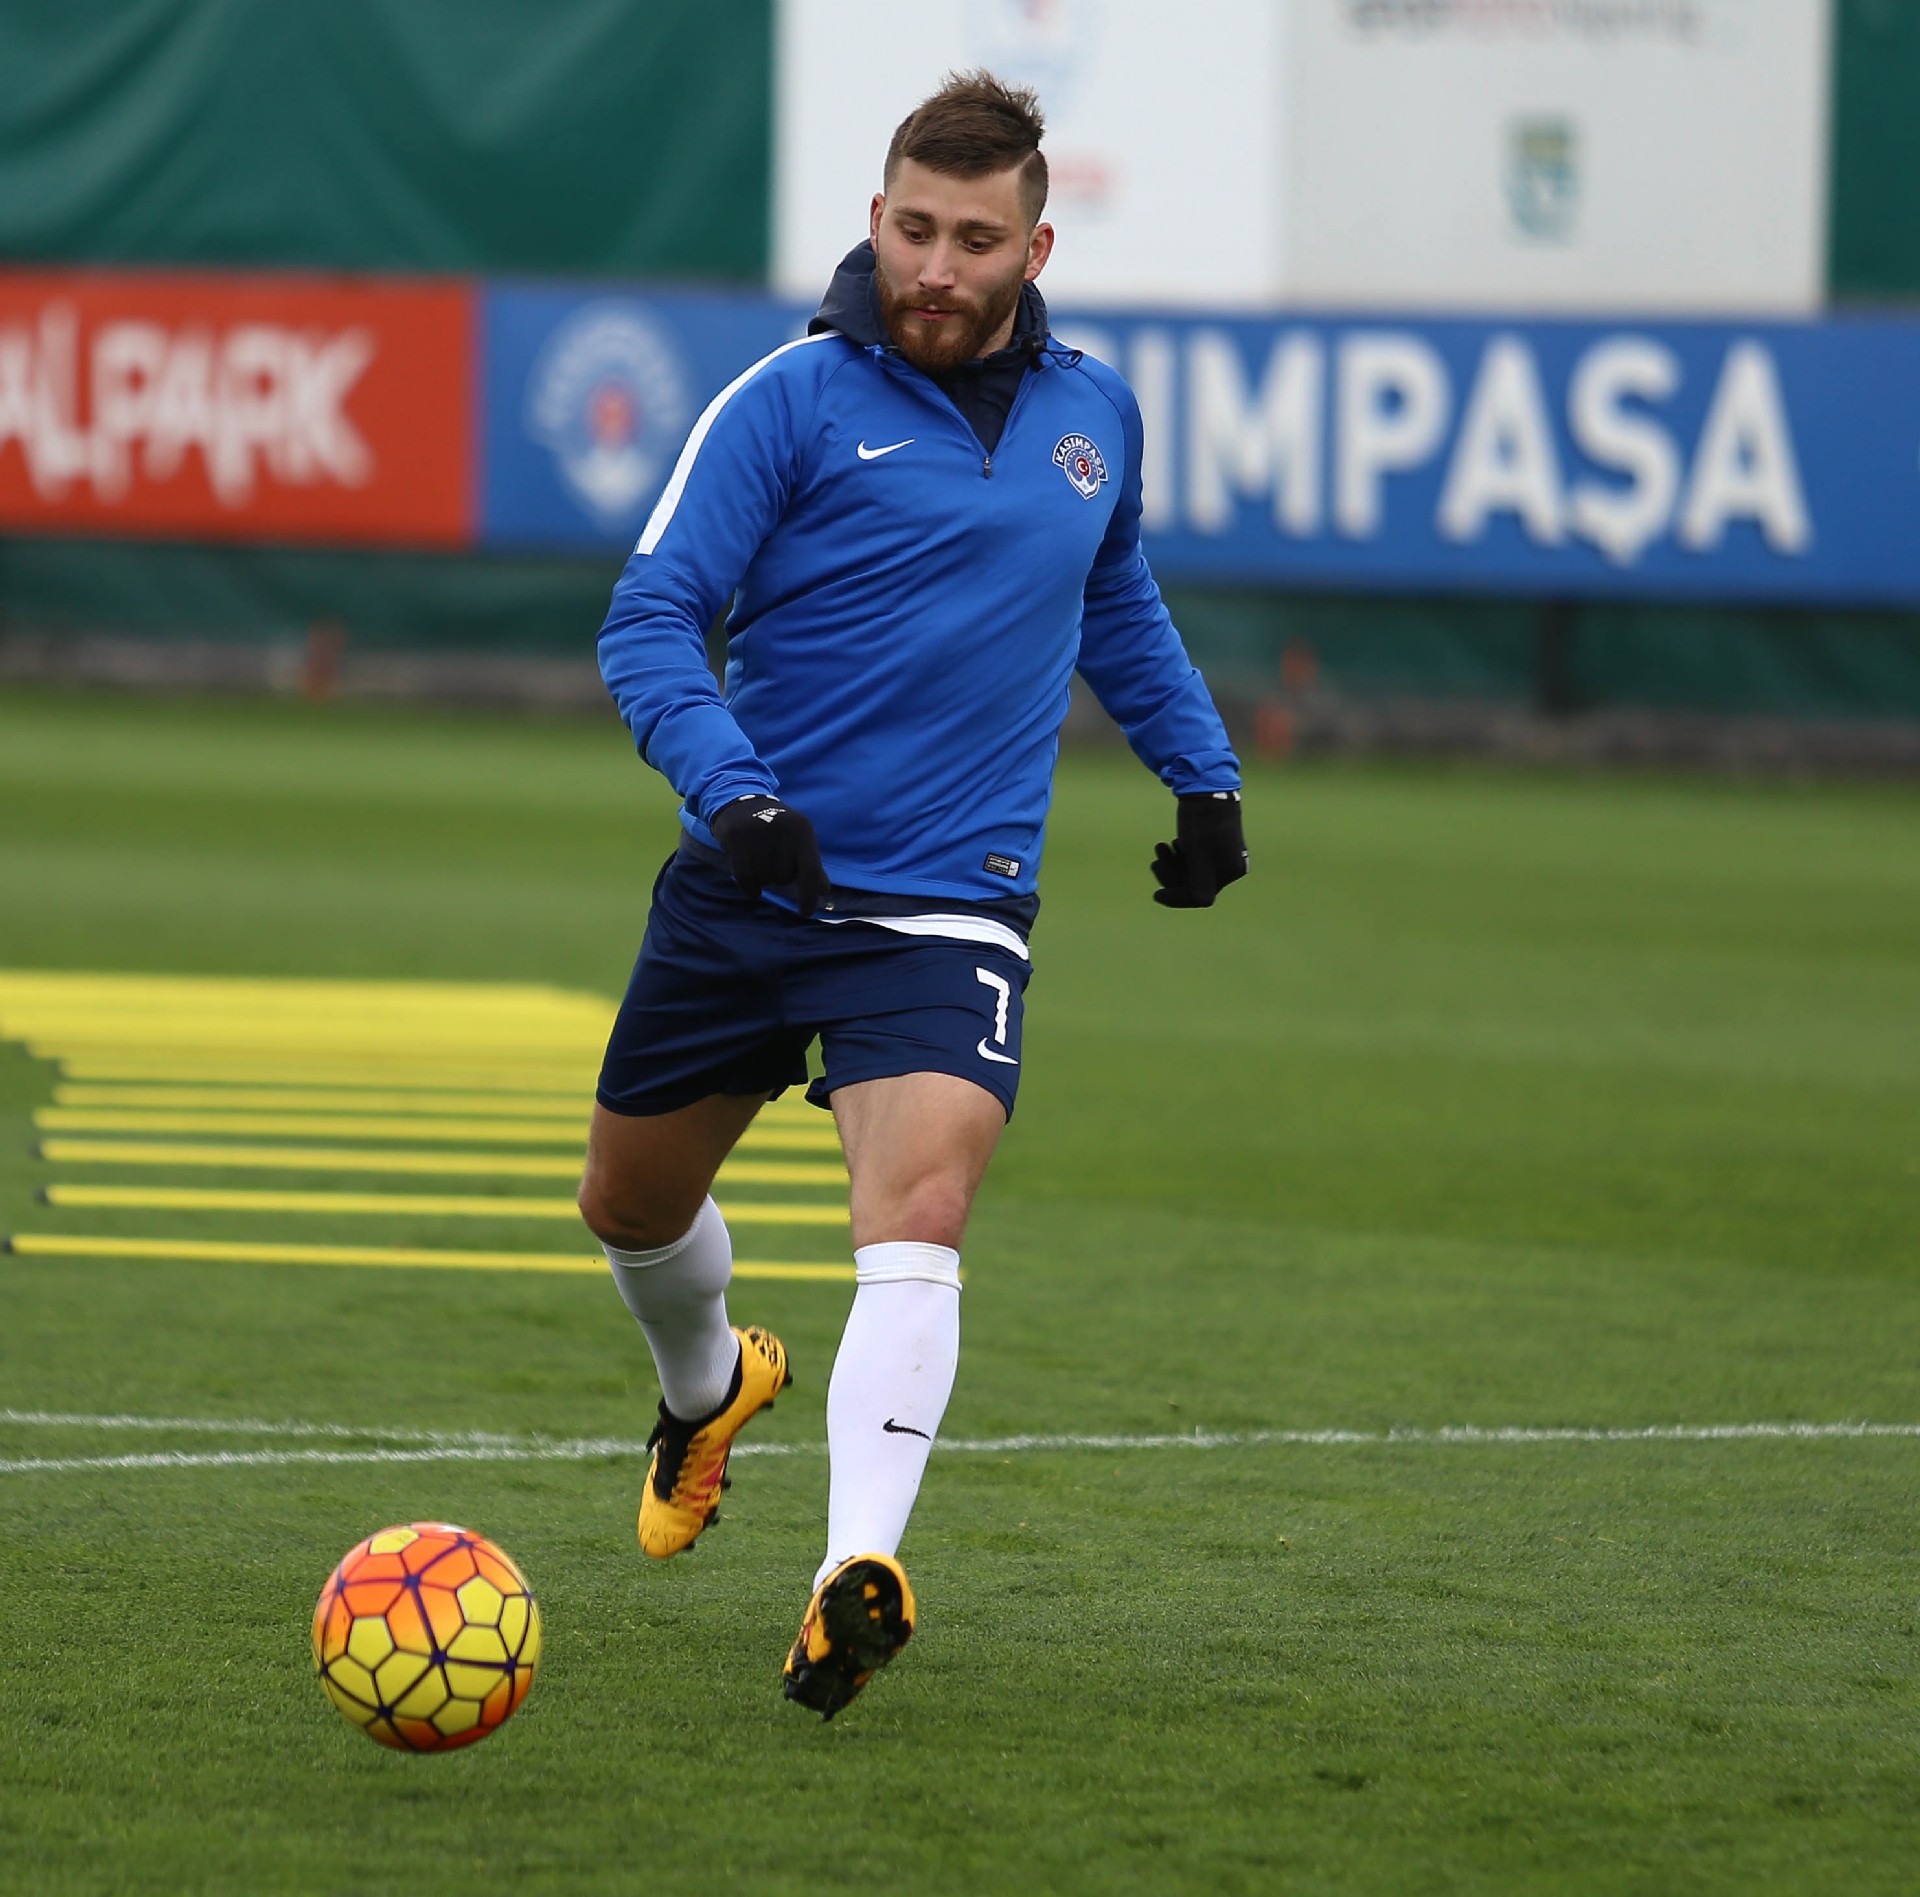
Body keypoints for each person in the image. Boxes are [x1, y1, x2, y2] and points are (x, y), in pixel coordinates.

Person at [577, 70, 1246, 1720]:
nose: (939, 269)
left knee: (921, 1213)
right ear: (875, 220)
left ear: (1036, 249)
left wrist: (1204, 773)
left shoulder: (1097, 417)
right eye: (916, 231)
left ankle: (849, 1576)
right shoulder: (787, 402)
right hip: (752, 880)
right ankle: (708, 1384)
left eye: (977, 240)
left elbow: (1115, 594)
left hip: (951, 900)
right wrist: (735, 793)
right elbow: (649, 617)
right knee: (629, 1208)